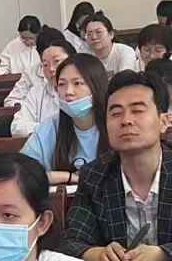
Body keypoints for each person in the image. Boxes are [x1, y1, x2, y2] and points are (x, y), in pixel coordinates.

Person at [62, 70, 172, 261]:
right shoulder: (94, 175)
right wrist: (96, 254)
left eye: (138, 111)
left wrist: (158, 255)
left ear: (162, 121)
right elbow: (71, 242)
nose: (126, 120)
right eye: (116, 113)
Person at [20, 52, 108, 185]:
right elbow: (22, 174)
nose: (68, 92)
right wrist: (69, 177)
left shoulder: (115, 125)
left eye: (77, 83)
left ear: (97, 87)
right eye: (62, 84)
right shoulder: (49, 128)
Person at [6, 27, 74, 119]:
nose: (51, 69)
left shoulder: (84, 82)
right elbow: (11, 101)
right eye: (45, 64)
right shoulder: (34, 84)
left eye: (56, 61)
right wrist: (31, 107)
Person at [81, 11, 139, 76]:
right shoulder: (86, 58)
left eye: (98, 32)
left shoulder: (125, 51)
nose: (94, 37)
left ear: (111, 34)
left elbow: (126, 79)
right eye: (89, 34)